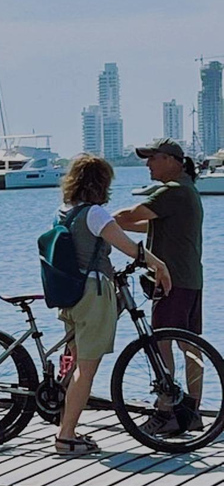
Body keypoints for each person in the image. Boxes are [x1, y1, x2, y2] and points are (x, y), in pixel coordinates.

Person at [53, 154, 171, 455]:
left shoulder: (65, 212)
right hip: (93, 295)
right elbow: (132, 249)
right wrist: (159, 266)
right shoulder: (95, 214)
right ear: (101, 183)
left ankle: (66, 427)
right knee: (86, 369)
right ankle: (66, 438)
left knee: (77, 362)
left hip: (72, 294)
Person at [113, 138, 204, 434]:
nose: (148, 164)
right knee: (190, 345)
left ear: (171, 161)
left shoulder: (173, 191)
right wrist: (118, 226)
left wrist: (101, 222)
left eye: (153, 158)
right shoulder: (187, 190)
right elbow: (147, 224)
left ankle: (166, 411)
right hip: (190, 278)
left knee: (162, 343)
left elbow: (131, 216)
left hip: (171, 281)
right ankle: (192, 411)